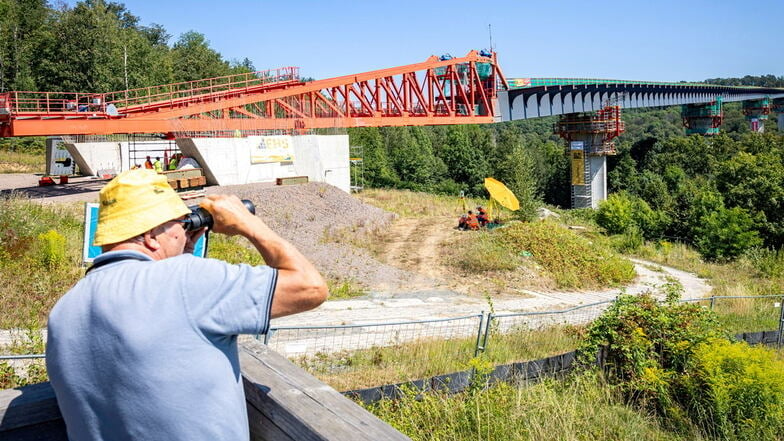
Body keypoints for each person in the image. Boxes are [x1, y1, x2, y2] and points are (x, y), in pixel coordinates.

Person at [46, 169, 328, 441]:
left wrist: (184, 251)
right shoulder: (185, 281)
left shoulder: (66, 308)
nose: (186, 231)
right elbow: (310, 287)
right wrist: (248, 224)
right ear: (150, 236)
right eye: (181, 225)